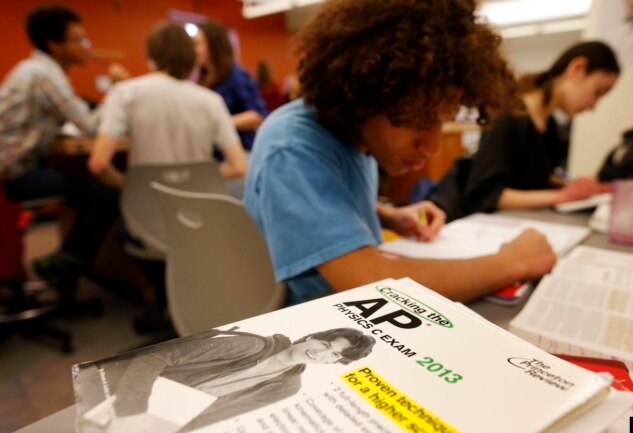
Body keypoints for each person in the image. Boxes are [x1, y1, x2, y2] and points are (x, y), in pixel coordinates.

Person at [243, 0, 557, 306]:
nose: (433, 145)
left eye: (442, 120)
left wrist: (387, 216)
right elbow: (370, 281)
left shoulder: (355, 136)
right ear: (368, 95)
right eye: (421, 121)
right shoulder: (292, 145)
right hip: (309, 322)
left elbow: (319, 202)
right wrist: (512, 262)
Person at [88, 22, 247, 331]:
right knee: (185, 243)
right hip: (198, 219)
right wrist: (197, 181)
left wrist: (130, 187)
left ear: (150, 57)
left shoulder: (126, 93)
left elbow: (97, 164)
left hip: (146, 222)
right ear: (193, 59)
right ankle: (182, 302)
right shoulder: (209, 100)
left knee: (128, 232)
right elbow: (239, 167)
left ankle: (161, 300)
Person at [0, 5, 129, 299]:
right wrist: (118, 91)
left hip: (12, 170)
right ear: (54, 44)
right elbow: (90, 127)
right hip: (14, 175)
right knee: (105, 197)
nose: (85, 47)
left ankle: (66, 267)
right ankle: (62, 266)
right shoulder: (45, 75)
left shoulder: (33, 70)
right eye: (78, 40)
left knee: (87, 195)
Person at [427, 41, 620, 222]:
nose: (593, 106)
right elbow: (484, 193)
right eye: (597, 92)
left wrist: (573, 186)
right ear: (577, 68)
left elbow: (533, 177)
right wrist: (561, 195)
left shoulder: (550, 124)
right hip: (470, 224)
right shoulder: (509, 115)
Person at [75, 327, 375, 431]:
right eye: (324, 344)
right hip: (125, 395)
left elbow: (213, 419)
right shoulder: (252, 345)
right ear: (312, 336)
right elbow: (153, 358)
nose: (321, 353)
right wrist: (133, 413)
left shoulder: (288, 387)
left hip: (165, 423)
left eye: (334, 355)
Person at [194, 20, 268, 153]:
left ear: (214, 45)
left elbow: (257, 116)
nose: (195, 50)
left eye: (199, 44)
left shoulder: (236, 76)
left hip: (239, 152)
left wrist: (220, 124)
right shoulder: (200, 78)